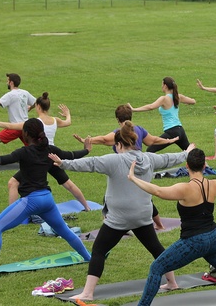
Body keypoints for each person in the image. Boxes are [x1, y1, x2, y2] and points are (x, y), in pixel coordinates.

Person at [48, 121, 194, 301]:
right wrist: (186, 153)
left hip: (119, 219)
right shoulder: (149, 158)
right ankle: (172, 282)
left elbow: (90, 163)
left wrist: (63, 163)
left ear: (118, 145)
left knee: (99, 249)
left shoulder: (115, 159)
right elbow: (169, 159)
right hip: (142, 216)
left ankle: (88, 293)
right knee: (156, 249)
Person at [128, 150, 216, 305]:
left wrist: (133, 178)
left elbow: (158, 191)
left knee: (157, 268)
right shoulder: (214, 185)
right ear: (204, 165)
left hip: (193, 242)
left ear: (187, 166)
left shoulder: (184, 189)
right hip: (214, 237)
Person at [0, 118, 92, 274]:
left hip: (31, 201)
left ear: (26, 134)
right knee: (64, 231)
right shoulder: (49, 150)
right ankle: (88, 257)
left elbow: (2, 160)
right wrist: (87, 150)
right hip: (47, 200)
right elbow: (70, 155)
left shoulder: (24, 152)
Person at [72, 104, 180, 229]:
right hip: (140, 167)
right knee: (144, 196)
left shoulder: (119, 133)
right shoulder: (139, 129)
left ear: (117, 119)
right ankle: (159, 225)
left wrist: (87, 140)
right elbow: (153, 141)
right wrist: (168, 141)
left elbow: (104, 140)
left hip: (124, 169)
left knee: (108, 200)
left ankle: (111, 227)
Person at [0, 93, 90, 210]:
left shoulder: (34, 124)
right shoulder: (54, 120)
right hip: (52, 156)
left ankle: (12, 213)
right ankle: (87, 207)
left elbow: (11, 126)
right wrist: (68, 114)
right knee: (68, 184)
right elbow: (68, 122)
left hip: (38, 156)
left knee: (13, 183)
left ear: (38, 107)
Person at [128, 77, 195, 153]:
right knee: (191, 153)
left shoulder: (164, 99)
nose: (161, 86)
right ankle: (202, 163)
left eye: (162, 84)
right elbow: (193, 101)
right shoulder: (178, 96)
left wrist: (134, 109)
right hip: (180, 130)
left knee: (150, 150)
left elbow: (151, 107)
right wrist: (186, 103)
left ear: (165, 86)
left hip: (171, 132)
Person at [0, 73, 36, 172]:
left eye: (7, 81)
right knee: (33, 146)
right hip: (26, 126)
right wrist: (30, 107)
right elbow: (36, 102)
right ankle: (41, 163)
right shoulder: (25, 92)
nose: (7, 82)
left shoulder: (10, 95)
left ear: (11, 82)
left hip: (15, 127)